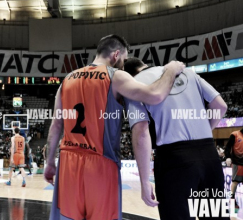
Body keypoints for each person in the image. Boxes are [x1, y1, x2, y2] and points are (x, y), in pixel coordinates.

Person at [44, 34, 185, 220]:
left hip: (68, 164)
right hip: (101, 165)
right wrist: (171, 69)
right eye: (124, 59)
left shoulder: (67, 80)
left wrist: (50, 163)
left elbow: (56, 125)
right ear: (116, 54)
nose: (124, 64)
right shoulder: (115, 76)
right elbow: (155, 94)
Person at [123, 57, 228, 220]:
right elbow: (221, 106)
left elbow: (141, 132)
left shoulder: (133, 85)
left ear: (127, 74)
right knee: (215, 216)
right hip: (209, 157)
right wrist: (203, 132)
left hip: (175, 161)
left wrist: (144, 181)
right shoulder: (187, 73)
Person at [224, 127, 243, 208]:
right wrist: (227, 157)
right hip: (237, 162)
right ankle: (232, 199)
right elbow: (227, 147)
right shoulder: (235, 134)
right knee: (235, 182)